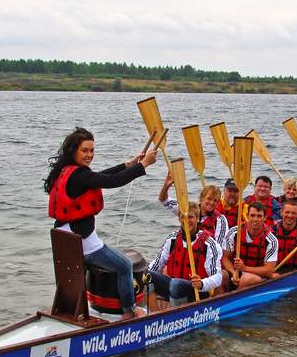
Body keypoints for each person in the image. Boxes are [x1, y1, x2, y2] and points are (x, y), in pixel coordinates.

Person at [44, 127, 157, 320]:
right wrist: (144, 165)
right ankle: (129, 311)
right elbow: (112, 181)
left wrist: (127, 164)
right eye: (85, 150)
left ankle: (77, 309)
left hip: (65, 241)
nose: (89, 155)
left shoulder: (66, 171)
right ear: (74, 151)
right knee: (124, 266)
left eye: (92, 150)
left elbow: (99, 177)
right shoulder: (80, 175)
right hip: (83, 242)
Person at [147, 202, 224, 310]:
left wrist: (201, 283)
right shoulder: (172, 239)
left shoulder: (209, 244)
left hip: (197, 290)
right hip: (174, 286)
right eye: (183, 217)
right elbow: (157, 264)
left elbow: (217, 277)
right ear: (179, 219)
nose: (186, 221)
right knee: (146, 276)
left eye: (190, 217)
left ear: (197, 218)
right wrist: (144, 275)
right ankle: (155, 316)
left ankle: (174, 317)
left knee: (175, 284)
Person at [222, 202, 278, 289]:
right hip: (235, 271)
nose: (255, 219)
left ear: (265, 218)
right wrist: (233, 273)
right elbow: (225, 257)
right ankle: (218, 300)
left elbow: (269, 270)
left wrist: (244, 268)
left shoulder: (271, 240)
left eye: (259, 216)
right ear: (247, 216)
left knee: (247, 278)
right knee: (221, 275)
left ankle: (235, 299)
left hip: (256, 275)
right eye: (252, 215)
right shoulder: (234, 232)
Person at [158, 176, 228, 246]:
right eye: (209, 199)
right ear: (202, 197)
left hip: (206, 253)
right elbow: (163, 200)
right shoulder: (187, 209)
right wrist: (166, 186)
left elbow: (219, 247)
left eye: (215, 201)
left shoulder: (220, 220)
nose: (212, 203)